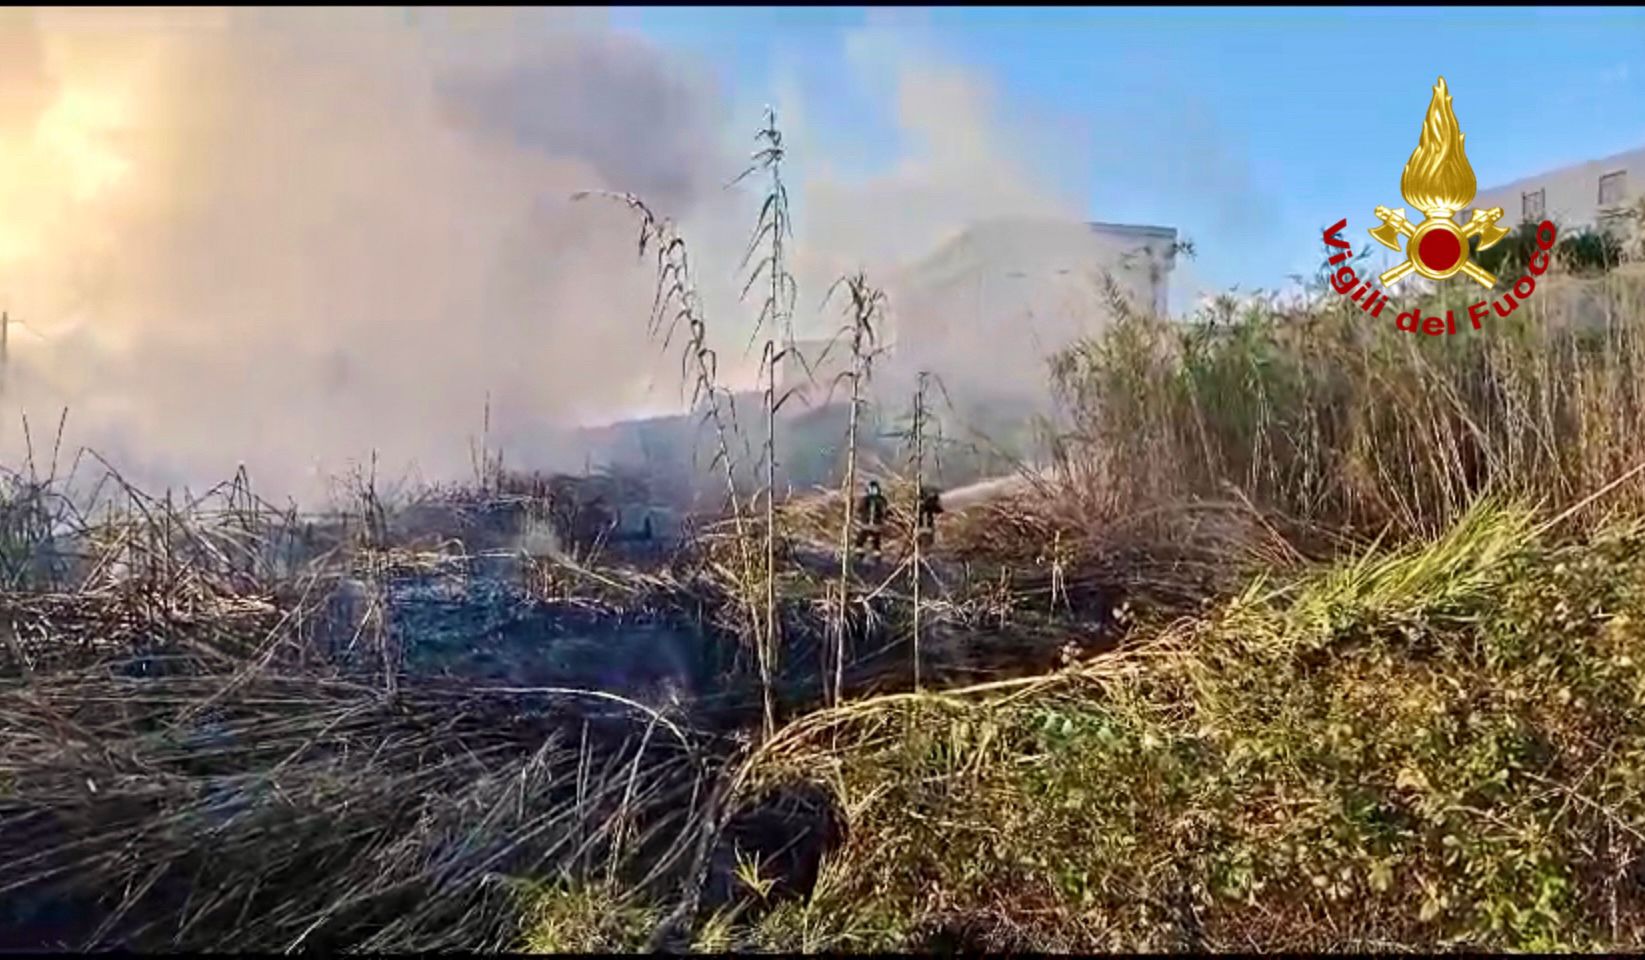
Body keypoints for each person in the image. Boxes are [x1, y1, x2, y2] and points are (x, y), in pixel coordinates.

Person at [855, 479, 888, 560]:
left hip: (868, 525)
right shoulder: (881, 499)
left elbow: (859, 510)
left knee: (861, 541)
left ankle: (861, 557)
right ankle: (874, 558)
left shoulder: (866, 499)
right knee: (874, 542)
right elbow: (886, 511)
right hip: (874, 525)